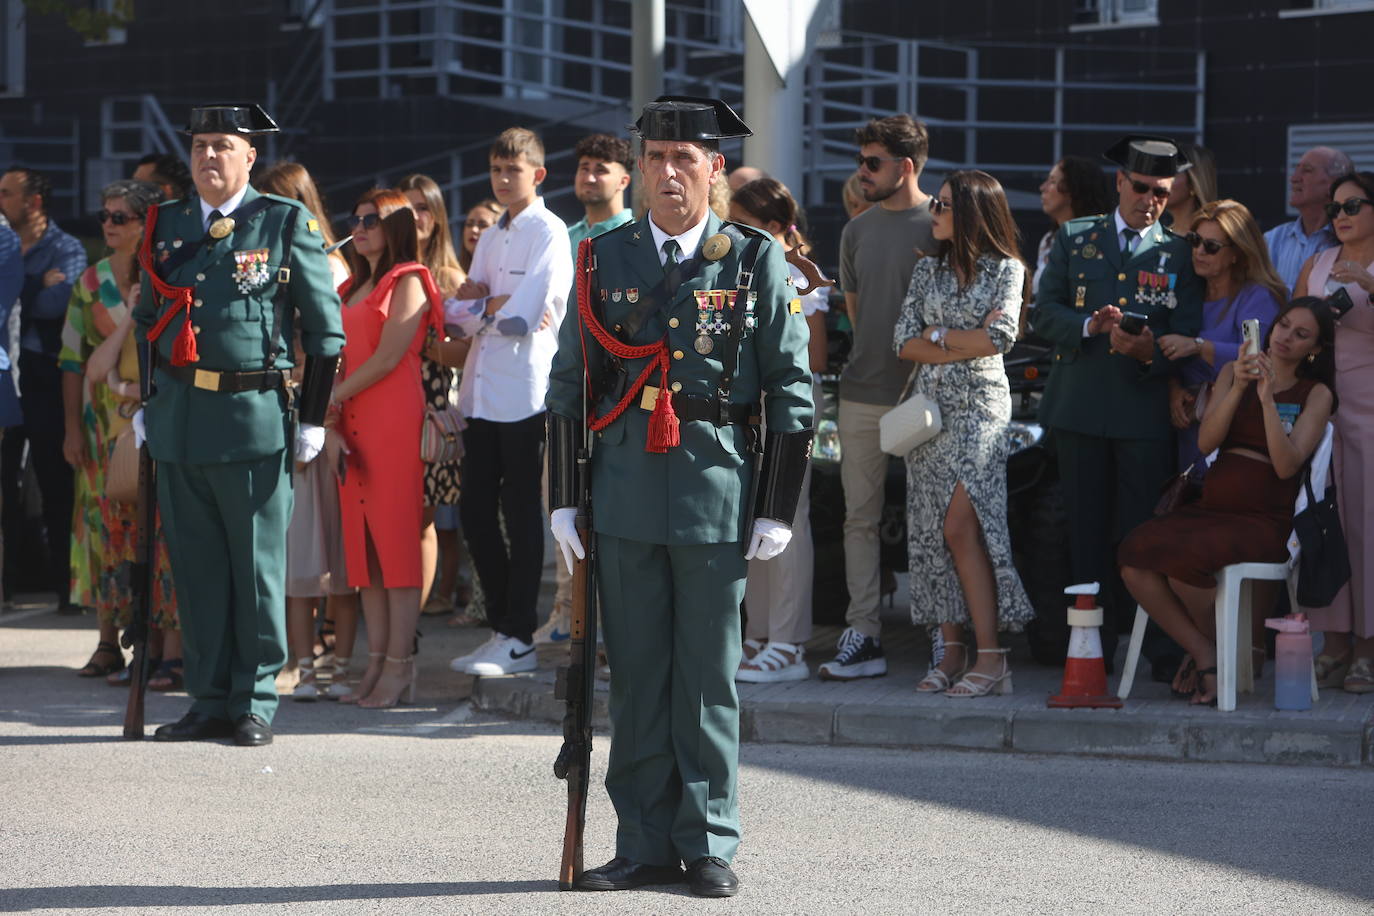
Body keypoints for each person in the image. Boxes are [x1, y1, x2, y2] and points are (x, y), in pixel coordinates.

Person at [546, 95, 812, 897]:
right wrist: (564, 496)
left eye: (684, 159)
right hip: (624, 490)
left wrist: (776, 505)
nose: (668, 173)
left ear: (714, 170)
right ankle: (641, 842)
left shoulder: (753, 258)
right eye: (656, 157)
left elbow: (792, 389)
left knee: (704, 678)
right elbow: (571, 384)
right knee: (636, 676)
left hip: (715, 490)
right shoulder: (601, 255)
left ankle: (707, 842)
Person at [132, 104, 344, 746]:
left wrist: (311, 420)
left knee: (255, 569)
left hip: (254, 418)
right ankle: (209, 697)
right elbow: (149, 324)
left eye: (223, 146)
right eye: (199, 146)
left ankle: (253, 700)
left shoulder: (281, 224)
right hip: (180, 420)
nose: (208, 158)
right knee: (197, 570)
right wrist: (146, 403)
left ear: (250, 157)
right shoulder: (164, 225)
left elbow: (324, 334)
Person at [1034, 135, 1204, 674]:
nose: (1149, 200)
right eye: (1140, 187)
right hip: (1081, 409)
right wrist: (1090, 325)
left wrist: (1149, 352)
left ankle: (1154, 648)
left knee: (1140, 533)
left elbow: (1187, 334)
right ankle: (1089, 647)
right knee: (1082, 533)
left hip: (1142, 413)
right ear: (1119, 183)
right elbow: (1044, 313)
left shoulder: (1180, 251)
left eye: (1160, 191)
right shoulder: (1074, 236)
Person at [1120, 298, 1334, 706]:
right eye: (1283, 326)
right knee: (1134, 555)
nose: (1285, 337)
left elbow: (1287, 465)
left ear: (1315, 350)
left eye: (1300, 334)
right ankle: (1207, 652)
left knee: (1185, 566)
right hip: (1214, 506)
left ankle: (1216, 657)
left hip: (1266, 516)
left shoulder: (1316, 393)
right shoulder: (1229, 373)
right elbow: (1206, 442)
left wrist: (1269, 400)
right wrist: (1238, 386)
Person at [893, 170, 1035, 696]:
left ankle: (993, 655)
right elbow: (902, 342)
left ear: (973, 213)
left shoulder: (1008, 269)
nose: (934, 211)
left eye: (944, 204)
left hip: (980, 406)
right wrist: (957, 338)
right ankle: (952, 652)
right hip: (928, 407)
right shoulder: (927, 270)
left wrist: (938, 335)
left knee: (960, 525)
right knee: (931, 530)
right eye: (936, 202)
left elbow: (999, 339)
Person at [445, 127, 571, 676]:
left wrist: (486, 307)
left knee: (521, 513)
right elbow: (457, 312)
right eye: (496, 169)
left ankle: (519, 633)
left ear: (537, 174)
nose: (501, 179)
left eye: (512, 170)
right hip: (479, 387)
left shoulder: (550, 230)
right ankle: (502, 627)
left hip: (525, 389)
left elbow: (527, 316)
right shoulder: (491, 234)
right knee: (474, 509)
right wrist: (489, 306)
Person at [820, 114, 934, 681]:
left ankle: (943, 631)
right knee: (858, 519)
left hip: (927, 395)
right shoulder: (855, 231)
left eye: (873, 162)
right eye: (861, 161)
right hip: (863, 392)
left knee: (934, 517)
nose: (861, 172)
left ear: (904, 167)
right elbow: (862, 318)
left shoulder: (944, 222)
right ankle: (863, 632)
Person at [59, 179, 182, 685]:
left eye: (119, 218)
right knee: (106, 535)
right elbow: (73, 358)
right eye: (103, 216)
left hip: (156, 420)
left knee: (157, 540)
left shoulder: (168, 274)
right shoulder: (90, 282)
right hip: (103, 424)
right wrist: (71, 427)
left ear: (146, 223)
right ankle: (110, 642)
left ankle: (162, 651)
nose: (107, 225)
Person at [331, 188, 443, 708]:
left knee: (396, 550)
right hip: (353, 418)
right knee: (365, 556)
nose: (360, 226)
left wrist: (331, 396)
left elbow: (386, 358)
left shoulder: (410, 279)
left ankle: (401, 666)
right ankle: (377, 663)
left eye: (372, 219)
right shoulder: (353, 283)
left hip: (392, 422)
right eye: (356, 218)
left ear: (396, 225)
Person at [253, 160, 358, 699]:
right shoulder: (264, 255)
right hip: (275, 409)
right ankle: (294, 657)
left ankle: (329, 659)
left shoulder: (331, 263)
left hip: (323, 415)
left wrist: (326, 415)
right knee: (293, 547)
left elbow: (334, 348)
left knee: (331, 552)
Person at [533, 134, 635, 644]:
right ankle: (567, 616)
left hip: (619, 397)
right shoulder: (563, 237)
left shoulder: (636, 237)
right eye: (584, 167)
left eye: (602, 168)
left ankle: (609, 628)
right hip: (565, 390)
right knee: (564, 506)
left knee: (612, 516)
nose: (590, 176)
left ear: (625, 178)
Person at [728, 176, 828, 682]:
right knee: (755, 518)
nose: (731, 231)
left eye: (743, 224)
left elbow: (815, 357)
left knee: (788, 516)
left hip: (790, 407)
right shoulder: (741, 266)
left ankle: (789, 644)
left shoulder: (796, 273)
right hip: (751, 405)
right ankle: (759, 636)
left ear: (772, 228)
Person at [1294, 171, 1374, 693]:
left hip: (1372, 411)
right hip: (1324, 408)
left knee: (1369, 529)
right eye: (1336, 207)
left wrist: (1369, 287)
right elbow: (1294, 331)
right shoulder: (1317, 263)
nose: (1341, 215)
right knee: (1327, 524)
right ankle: (1334, 643)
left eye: (1354, 205)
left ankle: (1368, 648)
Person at [0, 166, 87, 612]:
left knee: (56, 486)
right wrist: (35, 283)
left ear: (34, 202)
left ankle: (64, 591)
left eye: (7, 193)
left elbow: (62, 303)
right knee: (5, 489)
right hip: (6, 378)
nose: (0, 201)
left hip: (46, 377)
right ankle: (7, 588)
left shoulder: (66, 247)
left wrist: (22, 291)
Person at [1157, 199, 1287, 469]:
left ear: (1237, 253)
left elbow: (1254, 357)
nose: (1199, 252)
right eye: (1194, 240)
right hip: (1184, 423)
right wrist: (1173, 390)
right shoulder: (1187, 292)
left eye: (1211, 247)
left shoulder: (1256, 297)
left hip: (1233, 427)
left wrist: (1197, 346)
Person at [396, 173, 467, 622]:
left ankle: (409, 627)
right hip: (382, 407)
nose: (415, 216)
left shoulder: (449, 277)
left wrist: (415, 341)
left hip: (428, 413)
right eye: (407, 207)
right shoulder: (381, 269)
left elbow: (465, 351)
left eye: (424, 207)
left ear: (438, 217)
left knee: (418, 524)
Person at [1264, 146, 1353, 292]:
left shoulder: (1353, 241)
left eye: (1307, 170)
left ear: (1334, 184)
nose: (1293, 178)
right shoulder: (1272, 240)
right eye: (1297, 169)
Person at [1034, 155, 1112, 297]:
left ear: (1073, 190)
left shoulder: (1103, 240)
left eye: (1052, 181)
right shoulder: (1048, 240)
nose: (1042, 188)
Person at [1163, 142, 1217, 231]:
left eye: (1171, 173)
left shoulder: (1213, 236)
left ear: (1194, 182)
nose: (1161, 182)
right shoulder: (1157, 237)